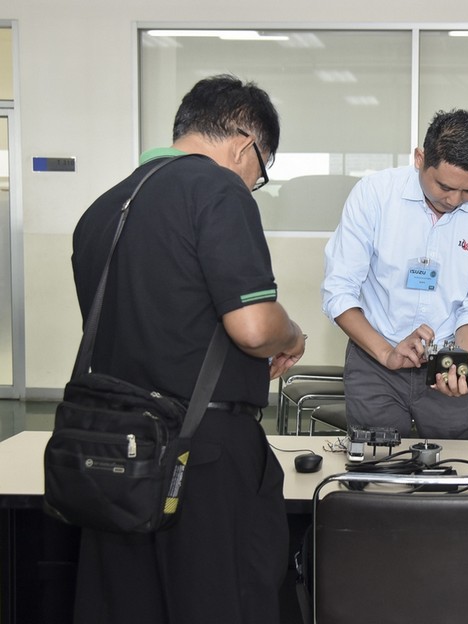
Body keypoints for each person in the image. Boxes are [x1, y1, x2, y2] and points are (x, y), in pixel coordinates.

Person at [70, 74, 307, 624]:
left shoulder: (104, 207)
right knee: (223, 600)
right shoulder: (217, 190)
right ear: (245, 145)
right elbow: (253, 328)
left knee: (131, 605)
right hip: (201, 455)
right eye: (261, 172)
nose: (253, 184)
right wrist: (293, 334)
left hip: (114, 449)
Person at [321, 109, 468, 439]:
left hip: (446, 364)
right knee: (377, 463)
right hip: (374, 360)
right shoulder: (375, 195)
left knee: (456, 465)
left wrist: (458, 369)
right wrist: (386, 353)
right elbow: (339, 290)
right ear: (420, 159)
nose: (454, 200)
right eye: (444, 186)